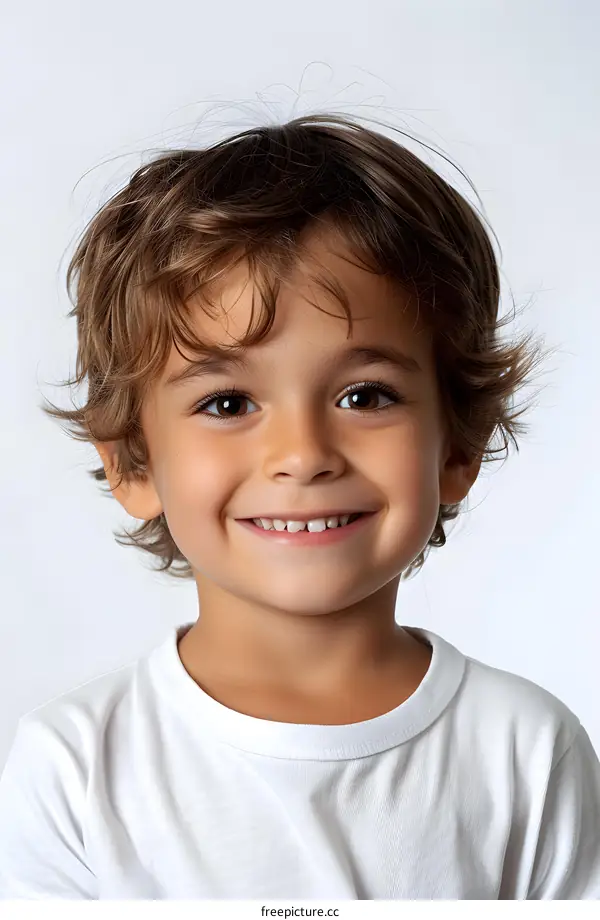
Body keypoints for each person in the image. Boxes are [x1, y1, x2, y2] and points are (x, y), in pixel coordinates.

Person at [0, 113, 598, 900]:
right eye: (227, 403)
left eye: (365, 395)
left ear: (457, 447)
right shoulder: (74, 767)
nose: (304, 453)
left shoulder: (527, 751)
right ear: (133, 464)